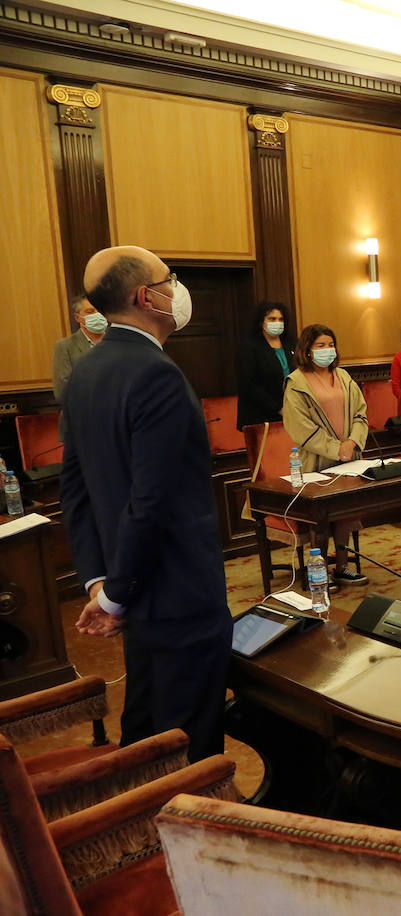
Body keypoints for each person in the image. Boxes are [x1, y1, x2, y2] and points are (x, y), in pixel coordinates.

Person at [59, 245, 231, 763]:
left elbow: (76, 490)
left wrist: (102, 582)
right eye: (169, 278)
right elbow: (151, 501)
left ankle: (138, 831)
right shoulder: (156, 374)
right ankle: (186, 838)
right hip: (178, 591)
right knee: (188, 748)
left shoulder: (86, 372)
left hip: (133, 588)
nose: (177, 288)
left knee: (148, 731)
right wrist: (114, 595)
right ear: (146, 296)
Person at [282, 324, 370, 588]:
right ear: (307, 350)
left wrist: (352, 442)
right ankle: (316, 573)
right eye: (320, 346)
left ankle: (342, 567)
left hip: (348, 459)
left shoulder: (344, 377)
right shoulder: (296, 383)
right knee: (319, 518)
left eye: (330, 344)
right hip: (316, 462)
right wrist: (336, 449)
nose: (327, 350)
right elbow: (300, 427)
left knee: (344, 512)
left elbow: (360, 413)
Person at [52, 294, 105, 442]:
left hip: (117, 424)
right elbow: (62, 390)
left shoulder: (118, 343)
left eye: (100, 310)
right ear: (78, 318)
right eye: (90, 312)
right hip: (80, 426)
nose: (97, 315)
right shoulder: (65, 346)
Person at [235, 301, 296, 428]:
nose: (277, 322)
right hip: (260, 415)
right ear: (261, 321)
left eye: (280, 319)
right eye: (272, 319)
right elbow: (249, 385)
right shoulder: (249, 346)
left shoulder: (292, 343)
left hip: (292, 411)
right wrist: (278, 408)